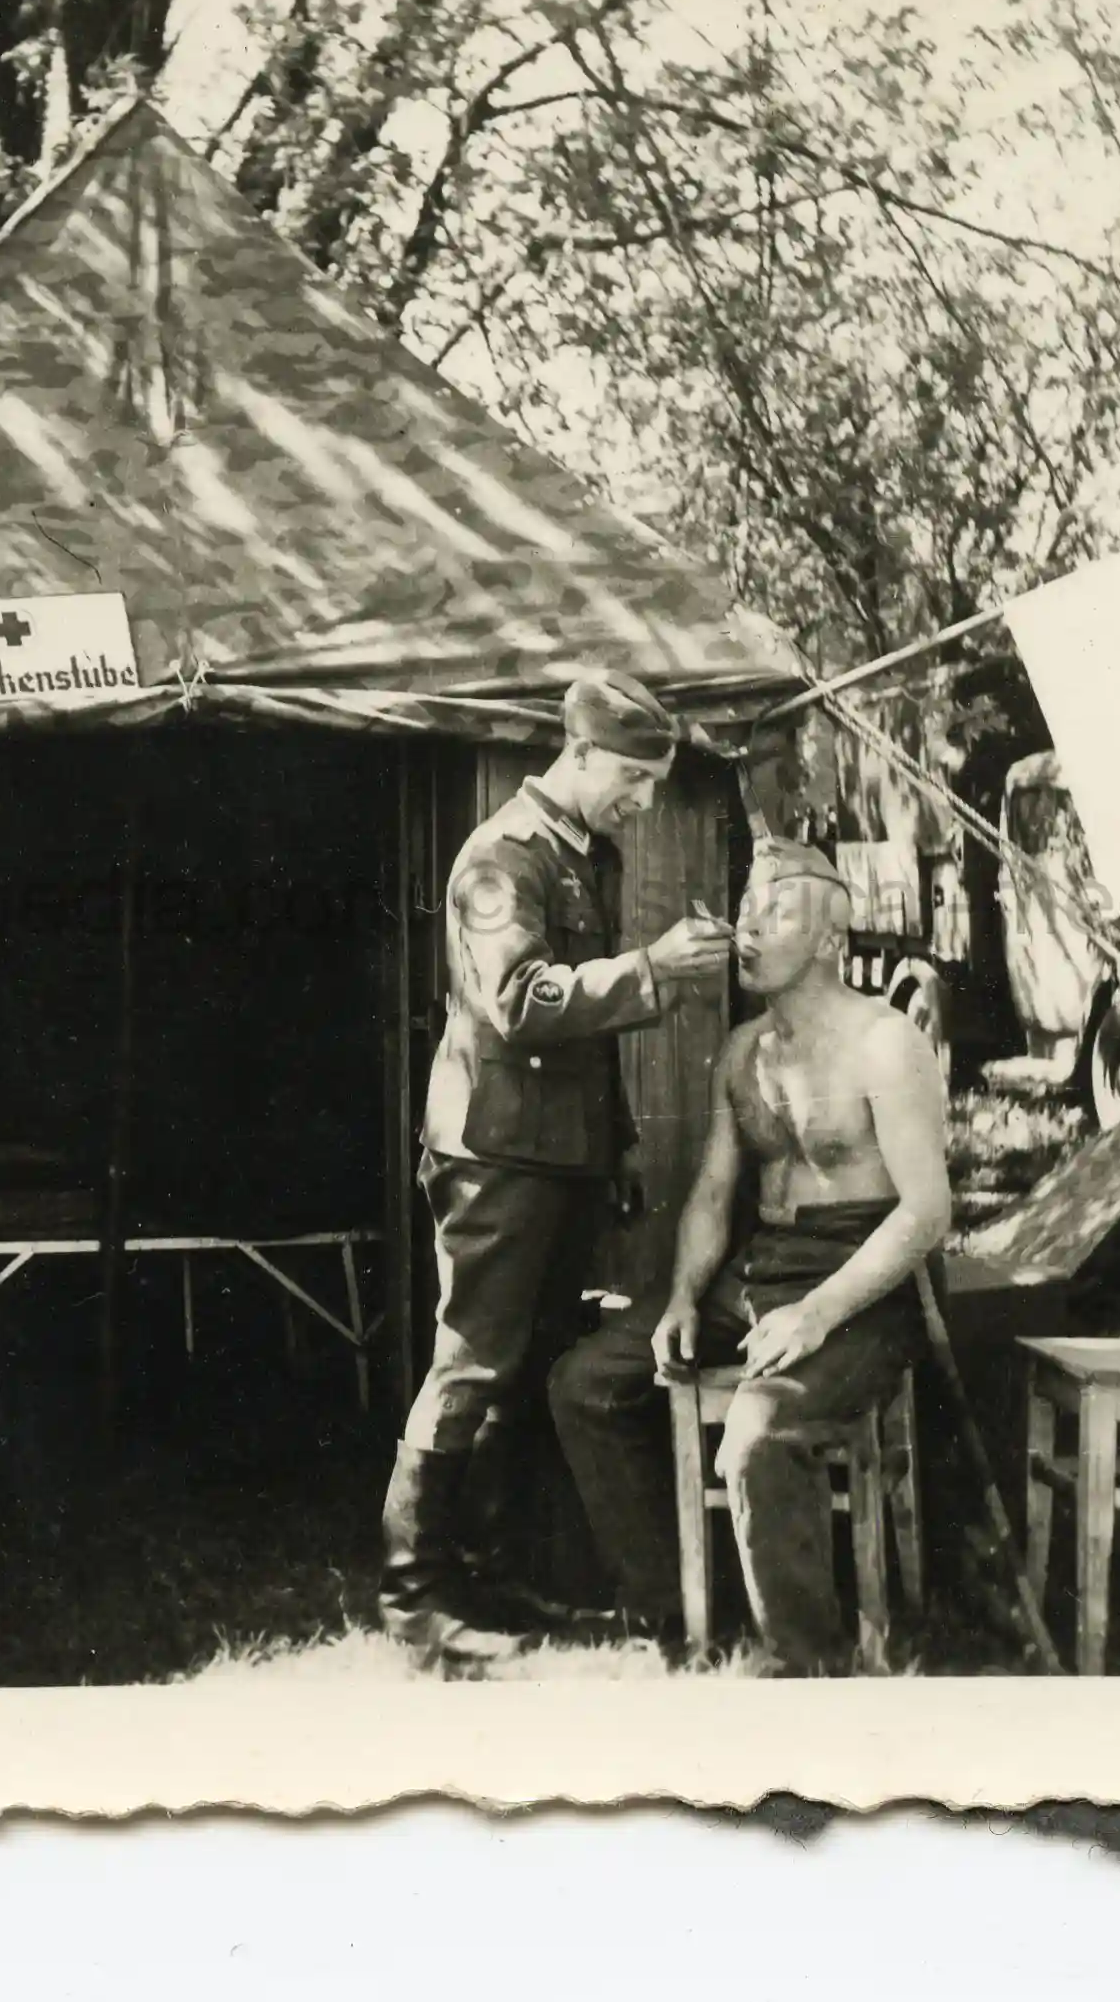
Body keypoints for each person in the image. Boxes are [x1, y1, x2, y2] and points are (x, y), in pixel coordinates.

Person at [382, 669, 737, 1663]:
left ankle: (490, 1578)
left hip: (558, 1155)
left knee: (525, 1367)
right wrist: (653, 970)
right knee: (470, 1364)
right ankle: (413, 1598)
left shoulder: (587, 853)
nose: (644, 800)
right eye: (631, 776)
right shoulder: (500, 858)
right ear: (577, 752)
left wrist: (609, 1145)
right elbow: (522, 1002)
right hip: (496, 1156)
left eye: (654, 781)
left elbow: (584, 1042)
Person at [549, 841, 952, 1674]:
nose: (749, 926)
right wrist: (682, 1297)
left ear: (831, 937)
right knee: (585, 1382)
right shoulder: (743, 1051)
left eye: (776, 910)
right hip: (761, 1267)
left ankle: (806, 1665)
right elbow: (711, 1190)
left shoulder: (885, 1042)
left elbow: (924, 1211)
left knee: (757, 1437)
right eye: (745, 908)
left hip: (864, 1278)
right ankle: (676, 1611)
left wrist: (818, 1311)